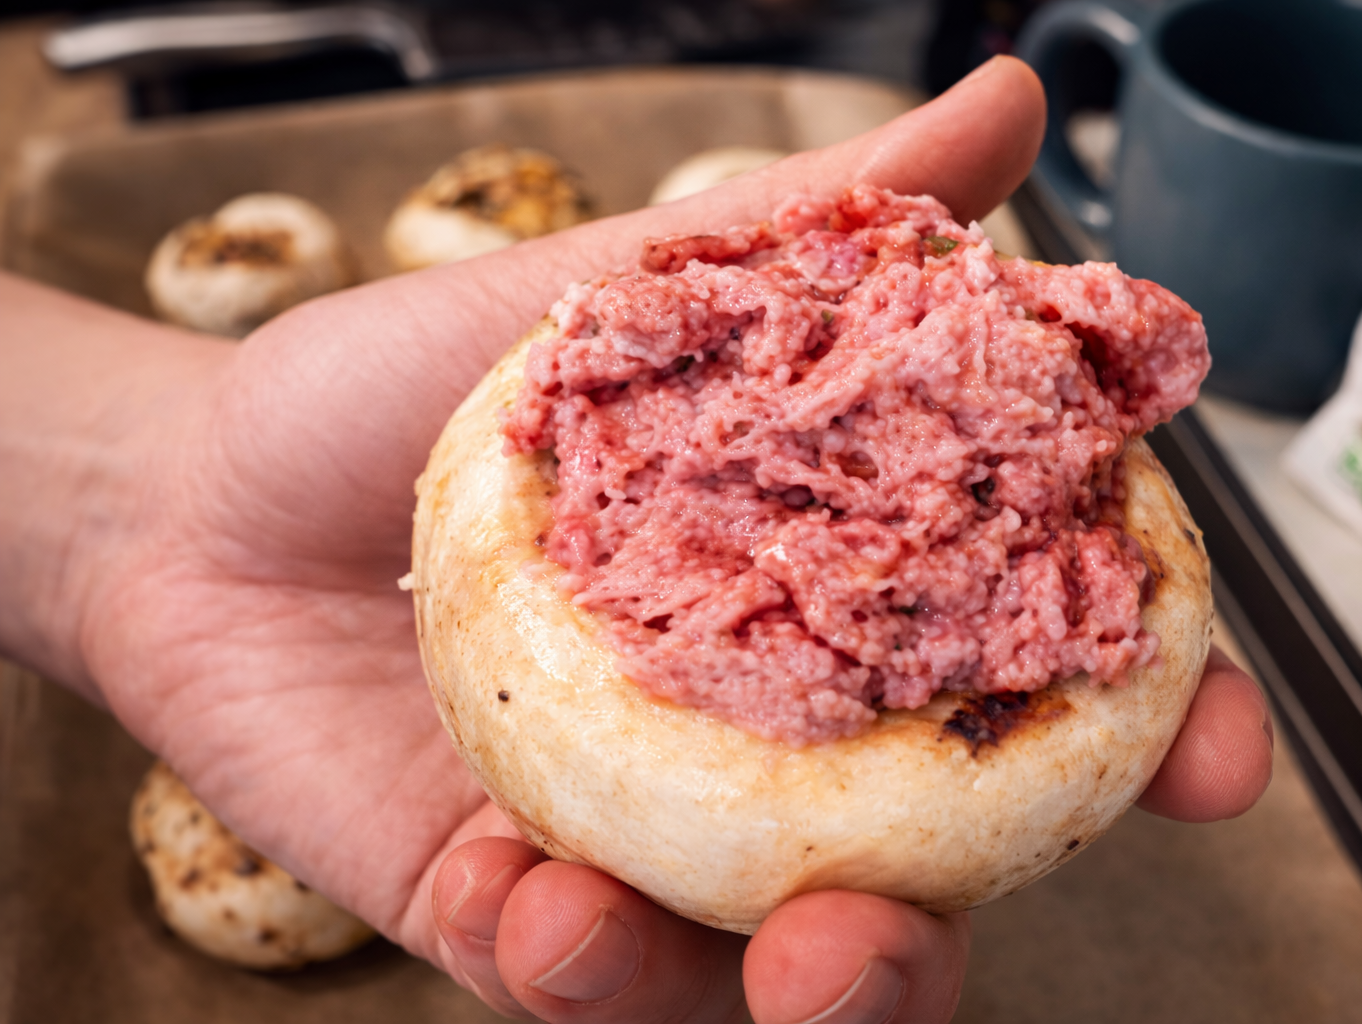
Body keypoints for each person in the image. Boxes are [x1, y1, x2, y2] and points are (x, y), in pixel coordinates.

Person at [0, 56, 1272, 1023]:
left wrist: (144, 513)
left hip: (969, 660)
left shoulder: (1107, 555)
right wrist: (161, 509)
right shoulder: (555, 420)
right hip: (636, 628)